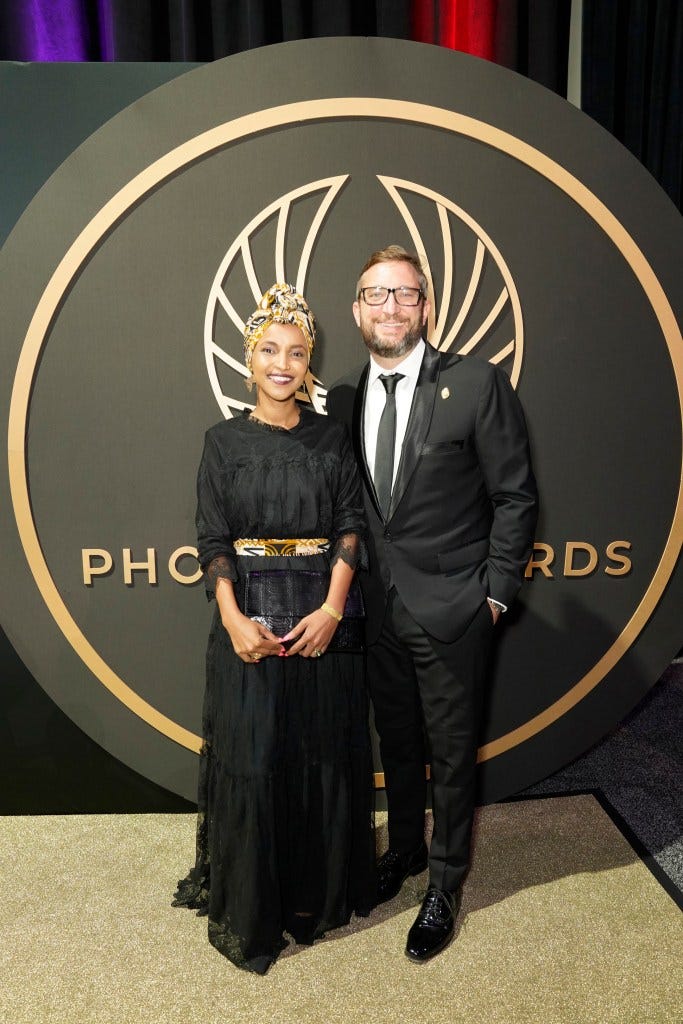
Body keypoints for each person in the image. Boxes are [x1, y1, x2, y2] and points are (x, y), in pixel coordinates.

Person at [327, 245, 537, 962]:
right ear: (356, 309)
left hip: (453, 608)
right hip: (375, 612)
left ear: (427, 307)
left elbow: (514, 496)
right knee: (399, 743)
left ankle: (445, 882)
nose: (390, 307)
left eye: (404, 294)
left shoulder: (476, 385)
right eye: (375, 295)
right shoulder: (344, 397)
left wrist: (495, 596)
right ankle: (408, 851)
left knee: (449, 755)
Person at [173, 283, 375, 974]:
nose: (281, 363)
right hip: (248, 622)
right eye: (268, 350)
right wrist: (232, 619)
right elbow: (213, 539)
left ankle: (312, 896)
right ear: (248, 358)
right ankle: (257, 901)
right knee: (257, 761)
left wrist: (331, 611)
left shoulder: (330, 438)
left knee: (319, 755)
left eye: (294, 352)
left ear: (309, 361)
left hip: (324, 619)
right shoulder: (221, 441)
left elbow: (351, 525)